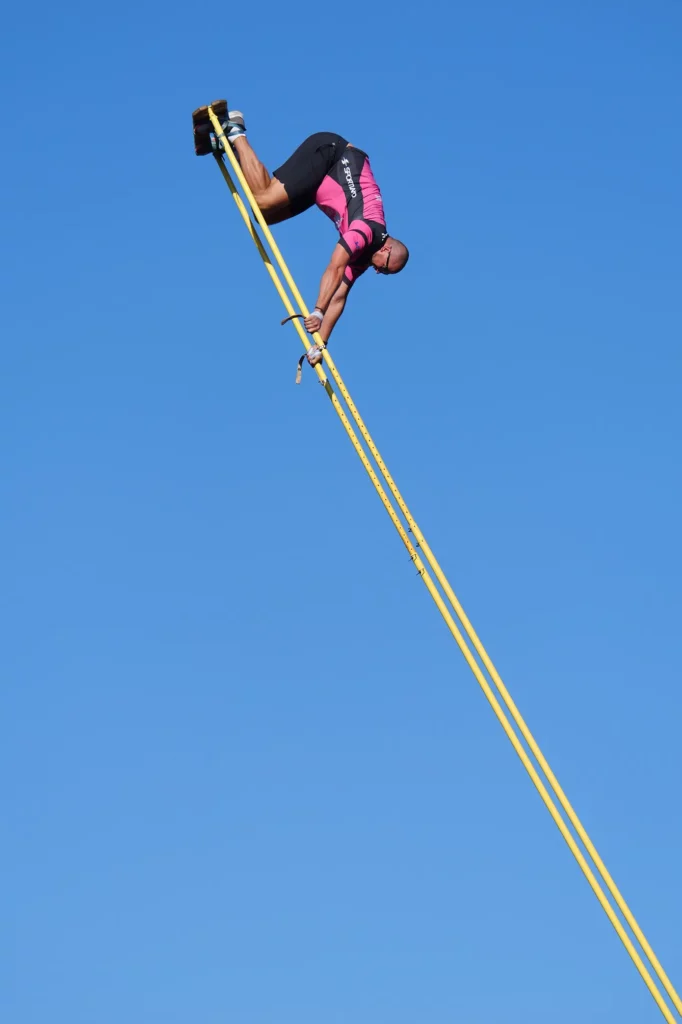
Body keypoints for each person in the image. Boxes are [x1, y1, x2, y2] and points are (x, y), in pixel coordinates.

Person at [215, 112, 409, 365]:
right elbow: (335, 266)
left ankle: (231, 142)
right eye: (383, 269)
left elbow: (339, 296)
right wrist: (317, 311)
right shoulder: (366, 231)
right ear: (385, 251)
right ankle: (236, 130)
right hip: (331, 156)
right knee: (263, 199)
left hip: (322, 182)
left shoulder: (365, 255)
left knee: (263, 214)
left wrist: (320, 343)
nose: (376, 271)